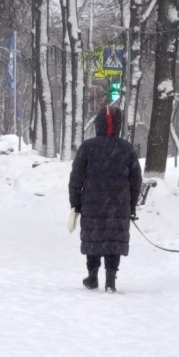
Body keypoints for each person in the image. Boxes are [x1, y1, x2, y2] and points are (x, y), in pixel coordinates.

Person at [68, 105, 142, 293]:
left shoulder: (87, 147)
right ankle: (111, 280)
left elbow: (76, 177)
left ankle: (92, 277)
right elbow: (136, 180)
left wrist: (75, 203)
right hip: (118, 205)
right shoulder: (126, 149)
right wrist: (131, 205)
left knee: (94, 238)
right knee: (113, 240)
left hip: (92, 204)